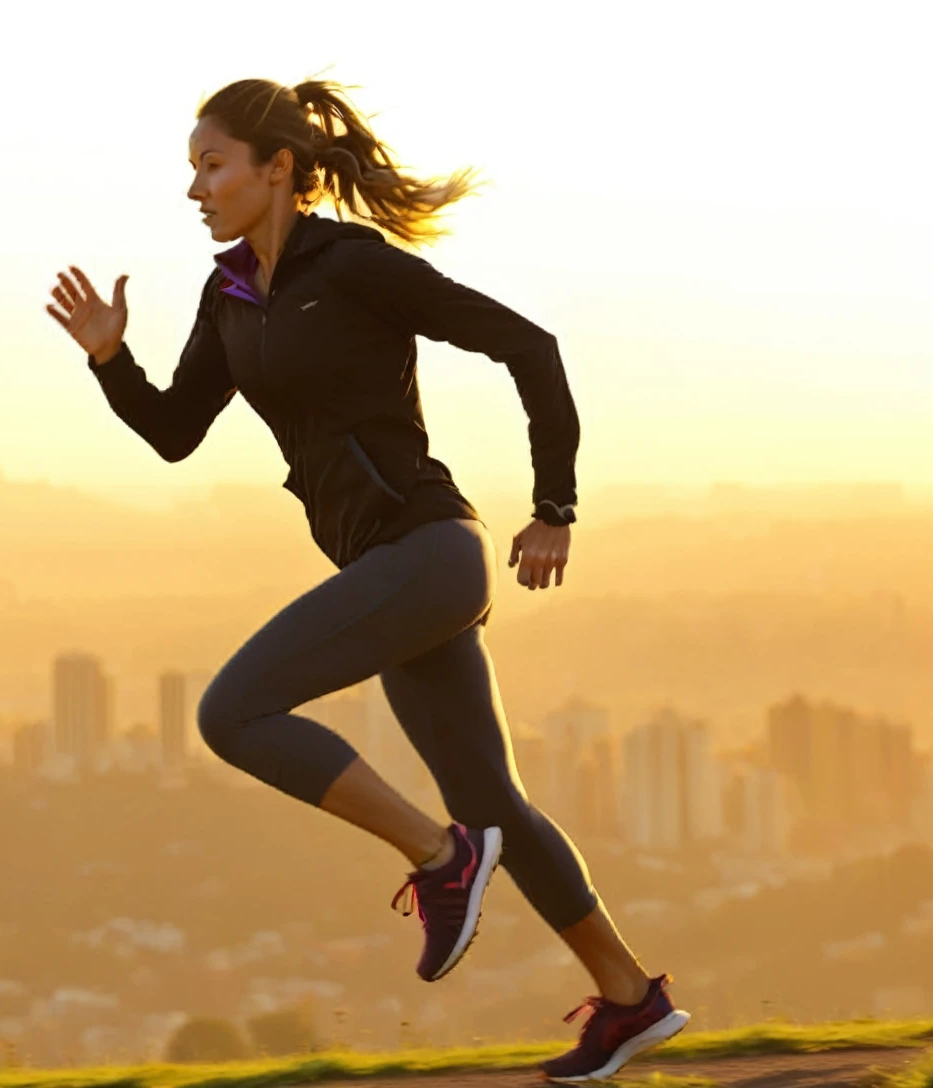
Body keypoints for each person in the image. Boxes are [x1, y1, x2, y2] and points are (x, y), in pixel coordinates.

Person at [44, 77, 690, 1083]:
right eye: (193, 171)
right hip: (388, 573)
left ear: (279, 171)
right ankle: (628, 997)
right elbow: (175, 432)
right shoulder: (232, 299)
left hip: (427, 551)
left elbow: (530, 345)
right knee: (497, 802)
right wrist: (111, 358)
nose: (197, 189)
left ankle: (441, 859)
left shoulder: (352, 267)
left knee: (233, 710)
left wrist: (553, 507)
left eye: (213, 166)